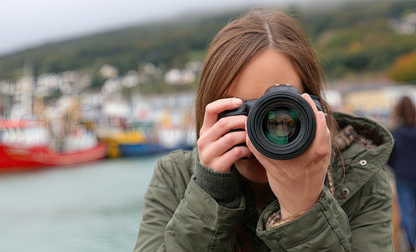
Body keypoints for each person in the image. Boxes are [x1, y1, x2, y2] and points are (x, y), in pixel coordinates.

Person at [135, 8, 394, 251]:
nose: (260, 133)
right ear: (210, 112)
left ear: (314, 106)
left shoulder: (359, 177)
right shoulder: (176, 177)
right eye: (240, 112)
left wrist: (303, 210)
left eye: (281, 113)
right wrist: (210, 195)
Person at [388, 96, 416, 251]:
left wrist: (397, 167)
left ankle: (411, 242)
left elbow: (389, 157)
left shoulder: (395, 133)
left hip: (403, 176)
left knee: (405, 212)